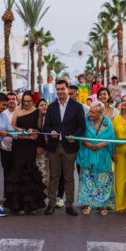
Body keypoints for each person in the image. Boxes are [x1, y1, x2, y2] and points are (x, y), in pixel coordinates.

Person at [43, 80, 86, 216]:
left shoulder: (77, 106)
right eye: (58, 89)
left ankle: (69, 205)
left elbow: (82, 126)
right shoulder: (51, 107)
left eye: (62, 89)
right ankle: (51, 204)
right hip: (54, 146)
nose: (60, 91)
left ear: (68, 90)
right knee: (54, 176)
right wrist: (51, 132)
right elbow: (46, 126)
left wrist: (75, 136)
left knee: (69, 177)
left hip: (70, 146)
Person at [4, 91, 46, 215]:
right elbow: (12, 126)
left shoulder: (38, 112)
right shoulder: (17, 109)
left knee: (30, 172)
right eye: (24, 101)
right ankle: (19, 205)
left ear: (32, 101)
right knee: (18, 172)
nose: (26, 103)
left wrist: (33, 131)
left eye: (28, 101)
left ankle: (31, 205)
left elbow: (39, 129)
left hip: (31, 146)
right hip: (19, 145)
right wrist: (21, 130)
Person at [77, 101, 116, 215]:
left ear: (100, 113)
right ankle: (87, 204)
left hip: (102, 155)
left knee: (103, 180)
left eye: (93, 112)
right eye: (90, 111)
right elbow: (79, 136)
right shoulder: (86, 121)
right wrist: (86, 143)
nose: (90, 114)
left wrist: (102, 144)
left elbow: (112, 139)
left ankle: (103, 205)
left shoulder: (107, 123)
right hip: (88, 154)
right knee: (87, 180)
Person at [0, 92, 17, 202]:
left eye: (13, 99)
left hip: (17, 148)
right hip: (4, 148)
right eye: (9, 99)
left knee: (16, 173)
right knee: (6, 173)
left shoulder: (20, 112)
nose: (11, 100)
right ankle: (6, 196)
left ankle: (15, 196)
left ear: (16, 100)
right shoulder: (2, 114)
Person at [35, 99, 50, 194]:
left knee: (47, 175)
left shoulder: (50, 118)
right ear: (37, 107)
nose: (44, 107)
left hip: (48, 151)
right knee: (39, 174)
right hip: (37, 151)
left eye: (45, 105)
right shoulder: (34, 119)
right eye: (41, 105)